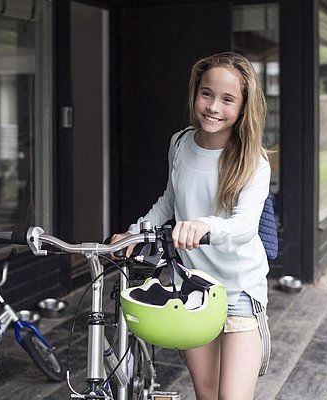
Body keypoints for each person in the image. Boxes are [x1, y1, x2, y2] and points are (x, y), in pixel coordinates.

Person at [111, 52, 271, 400]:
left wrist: (203, 225)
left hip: (239, 293)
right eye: (207, 93)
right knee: (207, 393)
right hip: (191, 288)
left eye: (228, 99)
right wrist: (137, 231)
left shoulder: (252, 161)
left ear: (244, 107)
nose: (214, 106)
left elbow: (244, 226)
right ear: (195, 94)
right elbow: (170, 199)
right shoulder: (180, 143)